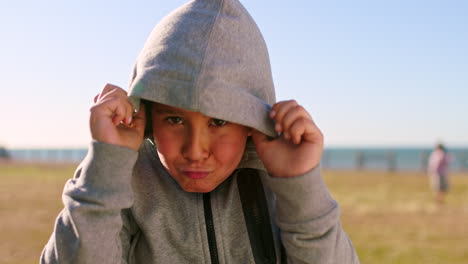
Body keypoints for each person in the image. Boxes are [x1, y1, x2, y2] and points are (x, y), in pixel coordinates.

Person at [41, 0, 359, 263]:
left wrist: (300, 185)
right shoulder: (125, 180)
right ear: (149, 113)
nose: (194, 150)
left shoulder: (278, 186)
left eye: (218, 122)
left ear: (250, 122)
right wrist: (105, 168)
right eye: (174, 120)